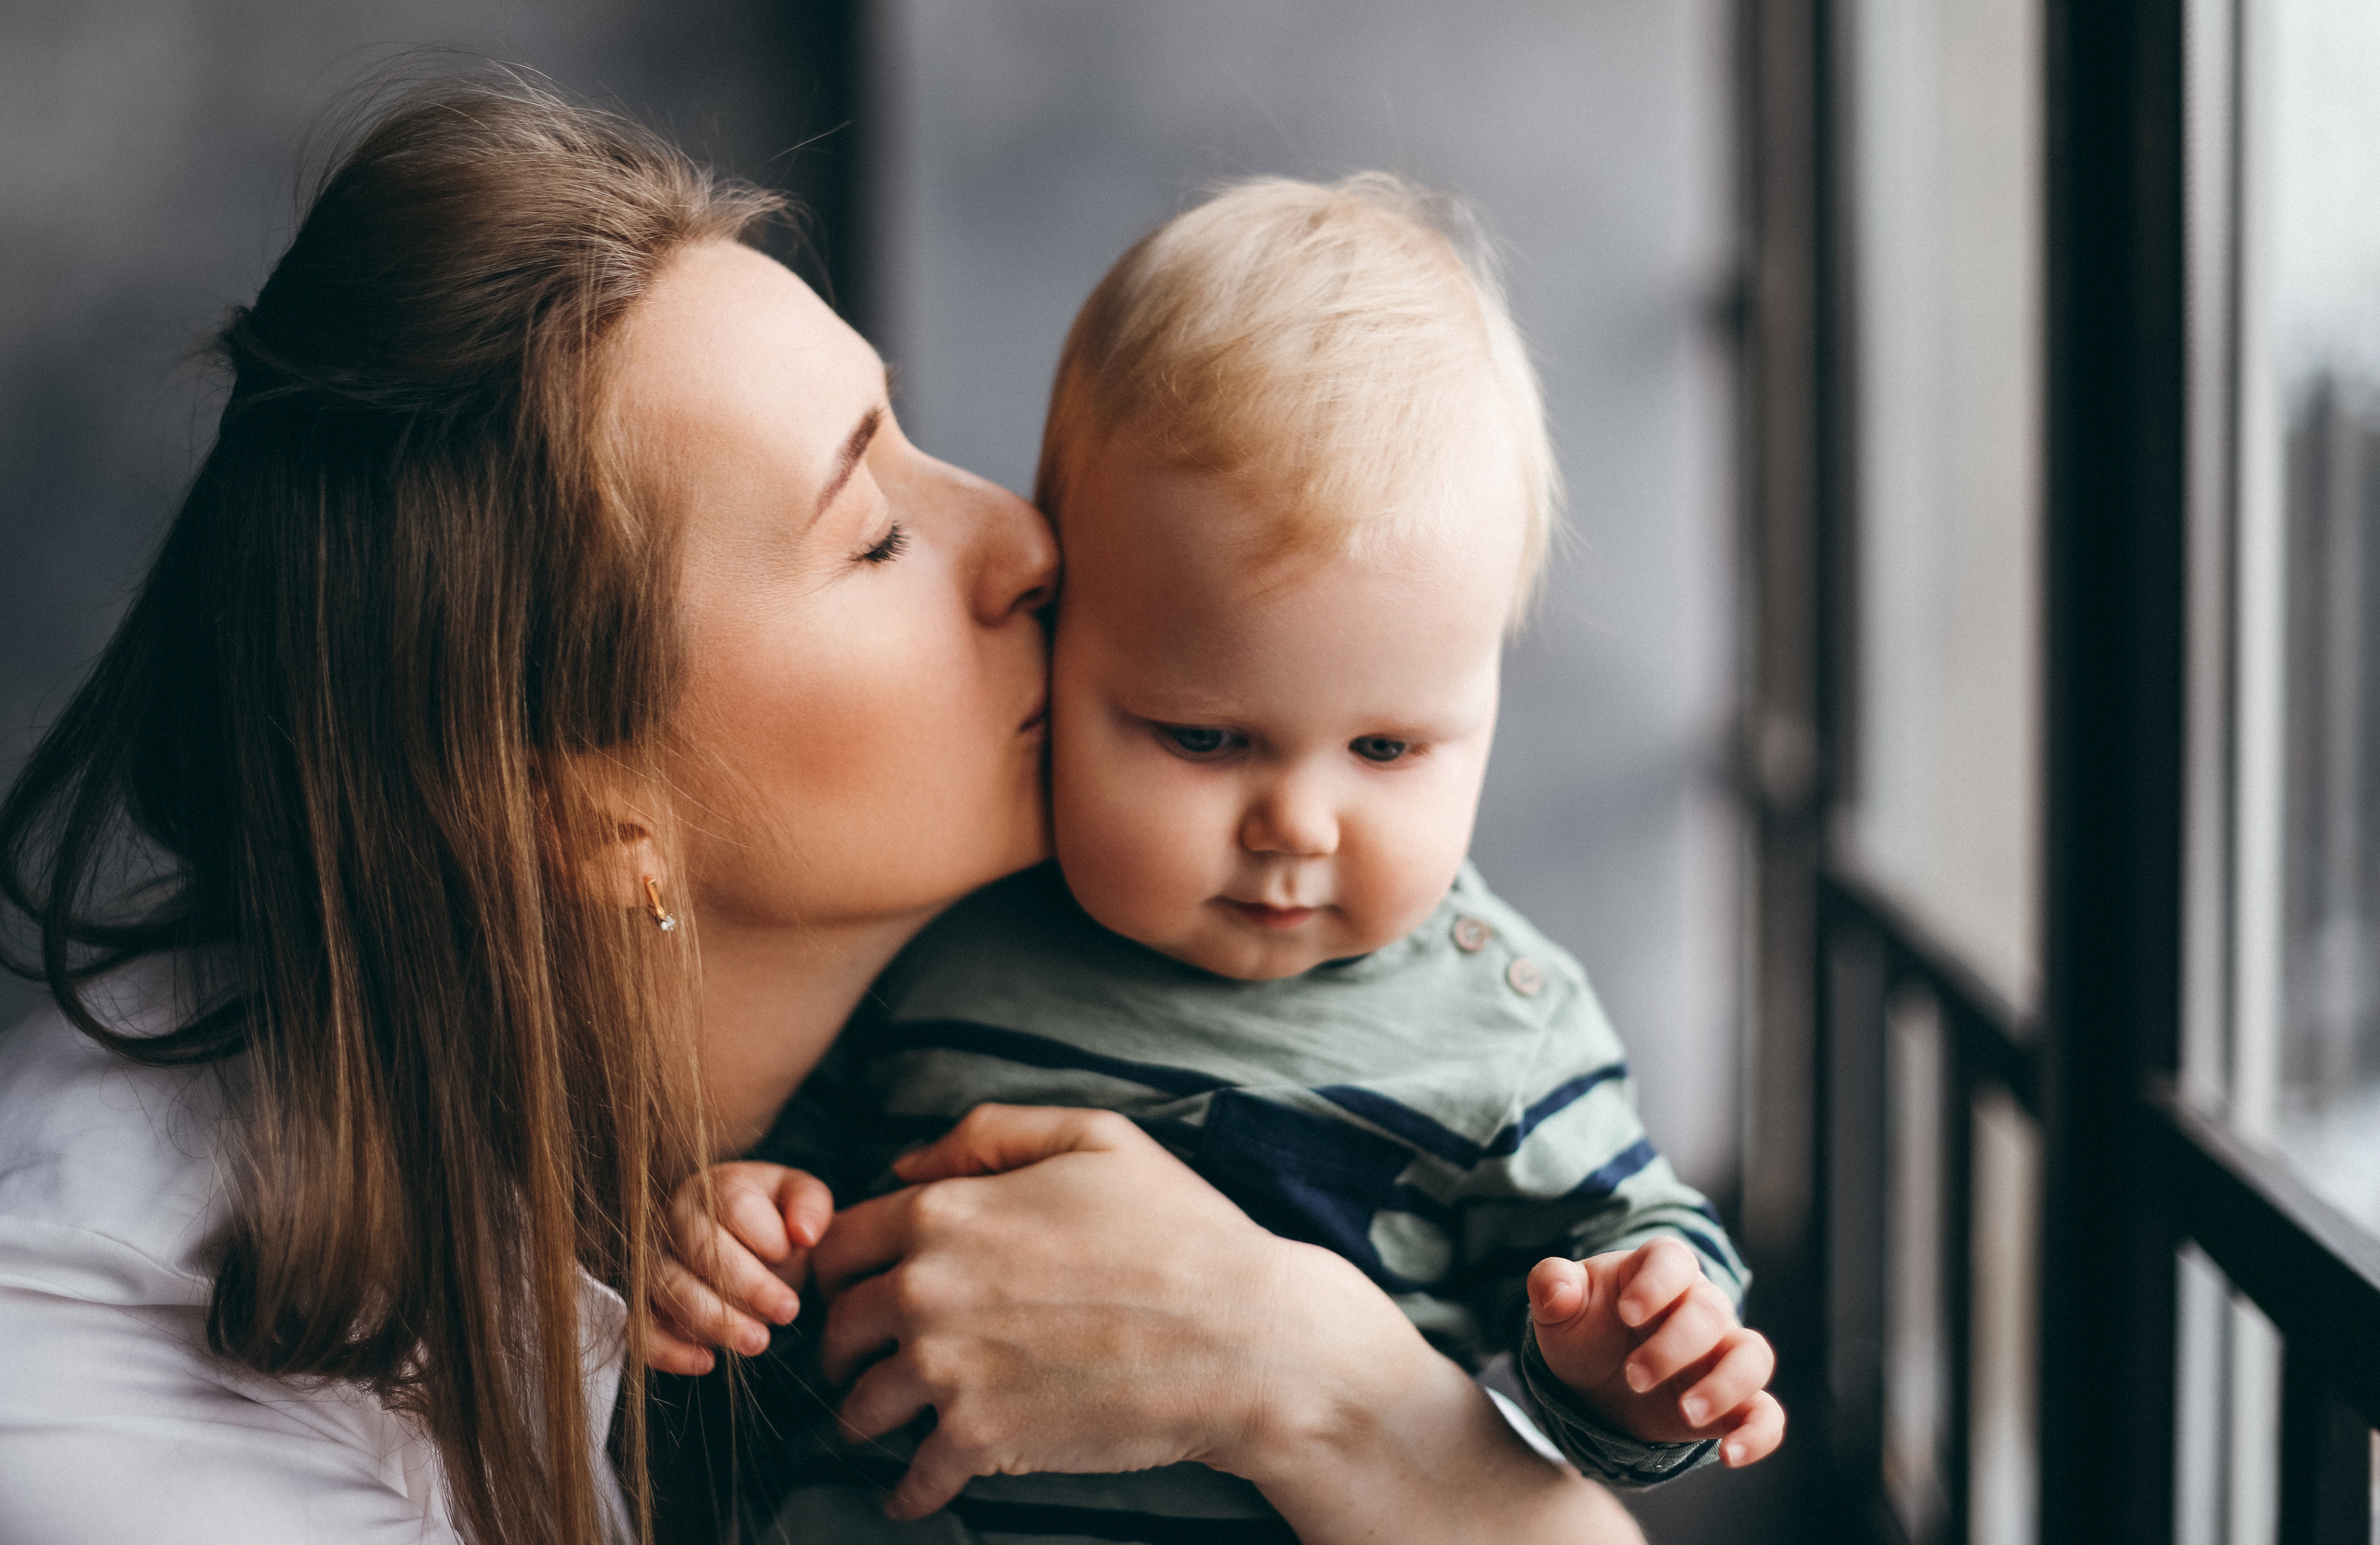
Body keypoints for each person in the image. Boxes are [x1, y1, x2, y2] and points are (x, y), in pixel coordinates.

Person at [0, 76, 1648, 1545]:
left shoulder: (1225, 964)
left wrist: (1312, 1381)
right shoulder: (105, 1393)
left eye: (916, 432)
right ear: (587, 814)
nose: (1029, 542)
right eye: (871, 531)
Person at [651, 177, 1786, 1541]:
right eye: (1203, 737)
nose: (1298, 825)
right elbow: (811, 1212)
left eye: (1388, 750)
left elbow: (1631, 1257)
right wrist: (739, 1234)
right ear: (1066, 640)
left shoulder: (1502, 1024)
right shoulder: (943, 931)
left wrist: (1645, 1350)